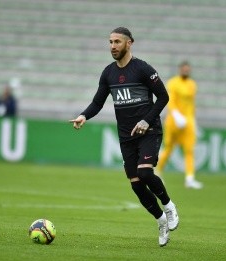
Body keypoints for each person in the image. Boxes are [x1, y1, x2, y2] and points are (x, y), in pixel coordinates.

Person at [69, 27, 179, 247]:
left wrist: (146, 120)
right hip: (126, 136)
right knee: (136, 185)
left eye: (117, 42)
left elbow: (163, 97)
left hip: (149, 131)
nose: (112, 46)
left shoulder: (143, 69)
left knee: (145, 172)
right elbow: (98, 102)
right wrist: (84, 115)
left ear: (129, 43)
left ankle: (168, 205)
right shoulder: (108, 73)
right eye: (110, 42)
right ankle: (160, 220)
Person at [156, 61, 203, 189]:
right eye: (184, 69)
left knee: (189, 150)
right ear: (180, 70)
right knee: (169, 148)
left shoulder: (192, 85)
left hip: (188, 122)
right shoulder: (173, 83)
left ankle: (189, 178)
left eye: (188, 70)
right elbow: (170, 100)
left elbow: (192, 104)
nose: (186, 72)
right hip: (173, 121)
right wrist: (176, 115)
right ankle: (157, 171)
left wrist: (194, 121)